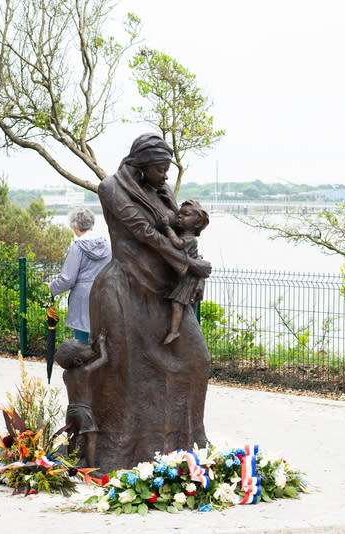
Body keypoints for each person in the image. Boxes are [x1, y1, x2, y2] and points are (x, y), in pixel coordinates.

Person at [87, 133, 213, 473]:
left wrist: (189, 258)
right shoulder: (111, 188)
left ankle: (188, 441)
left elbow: (177, 225)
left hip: (167, 291)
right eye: (160, 170)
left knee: (197, 359)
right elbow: (146, 233)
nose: (166, 177)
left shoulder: (161, 188)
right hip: (126, 290)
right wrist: (189, 265)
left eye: (167, 170)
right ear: (142, 168)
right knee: (128, 374)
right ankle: (126, 451)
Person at [48, 207, 111, 345]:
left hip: (82, 299)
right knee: (102, 340)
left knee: (81, 342)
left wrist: (52, 287)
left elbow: (68, 279)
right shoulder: (107, 245)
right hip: (104, 296)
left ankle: (81, 366)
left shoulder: (77, 247)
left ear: (75, 226)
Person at [159, 199, 210, 345]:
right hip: (182, 277)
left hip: (188, 279)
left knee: (177, 303)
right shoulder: (183, 235)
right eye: (179, 214)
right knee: (176, 303)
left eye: (186, 215)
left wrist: (167, 227)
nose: (180, 217)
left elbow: (177, 244)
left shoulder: (190, 239)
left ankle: (174, 331)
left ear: (197, 222)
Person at [54, 332, 108, 467]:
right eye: (85, 347)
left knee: (71, 438)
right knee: (91, 438)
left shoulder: (66, 374)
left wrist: (90, 346)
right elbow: (103, 359)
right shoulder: (85, 371)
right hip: (84, 411)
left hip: (70, 411)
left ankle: (71, 464)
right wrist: (101, 344)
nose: (88, 348)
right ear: (78, 361)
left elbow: (85, 358)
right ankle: (91, 467)